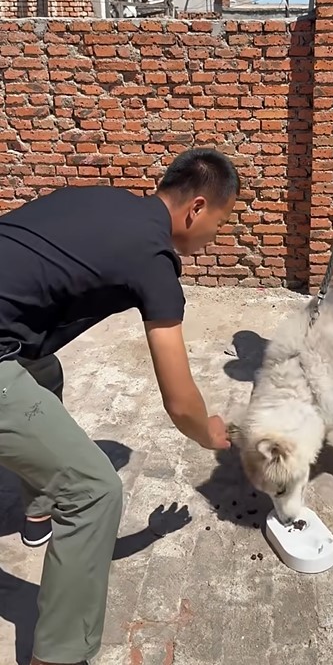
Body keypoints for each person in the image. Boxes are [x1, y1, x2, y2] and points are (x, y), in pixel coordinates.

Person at [0, 147, 239, 665]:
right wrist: (209, 434)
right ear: (196, 209)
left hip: (13, 342)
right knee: (93, 491)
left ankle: (38, 511)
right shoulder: (153, 260)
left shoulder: (107, 203)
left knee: (44, 372)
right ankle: (58, 656)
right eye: (220, 223)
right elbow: (179, 401)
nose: (214, 237)